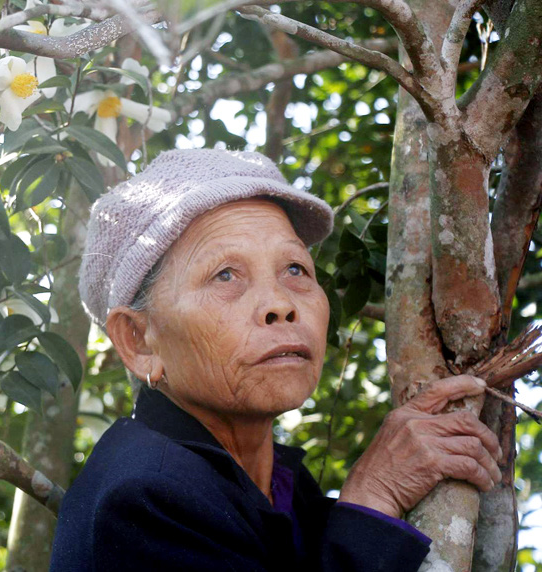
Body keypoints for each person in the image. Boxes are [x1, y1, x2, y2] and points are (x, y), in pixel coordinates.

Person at [50, 149, 502, 571]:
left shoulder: (277, 485)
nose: (280, 304)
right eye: (225, 275)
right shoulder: (145, 498)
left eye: (295, 269)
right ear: (139, 341)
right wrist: (374, 497)